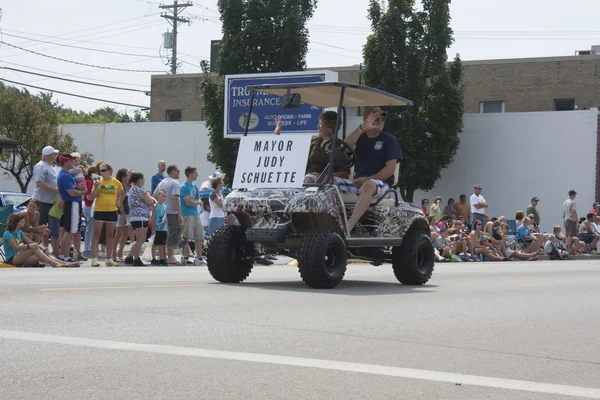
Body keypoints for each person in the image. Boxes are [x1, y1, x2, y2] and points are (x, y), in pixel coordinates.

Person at [338, 107, 402, 233]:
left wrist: (367, 179)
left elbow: (390, 169)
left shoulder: (390, 141)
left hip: (380, 184)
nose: (380, 121)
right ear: (366, 119)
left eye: (382, 119)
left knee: (368, 185)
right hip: (357, 182)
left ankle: (348, 226)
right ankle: (327, 221)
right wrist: (362, 128)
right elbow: (343, 148)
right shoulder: (360, 137)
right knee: (327, 180)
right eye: (376, 118)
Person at [275, 112, 350, 183]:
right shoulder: (314, 141)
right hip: (306, 178)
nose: (317, 127)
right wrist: (277, 132)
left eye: (320, 125)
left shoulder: (340, 147)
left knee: (309, 179)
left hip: (326, 184)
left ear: (330, 128)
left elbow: (344, 173)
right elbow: (291, 149)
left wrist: (322, 176)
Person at [2, 213, 79, 268]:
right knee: (34, 248)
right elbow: (15, 247)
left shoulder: (19, 232)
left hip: (20, 256)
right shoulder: (8, 234)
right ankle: (56, 264)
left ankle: (64, 263)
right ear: (18, 223)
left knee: (42, 253)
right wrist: (29, 246)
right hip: (12, 259)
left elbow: (30, 241)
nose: (24, 222)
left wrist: (42, 248)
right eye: (23, 221)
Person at [89, 162, 124, 267]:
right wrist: (95, 187)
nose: (101, 172)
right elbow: (91, 197)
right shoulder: (98, 181)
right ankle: (94, 258)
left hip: (112, 210)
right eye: (100, 171)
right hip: (100, 210)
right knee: (96, 234)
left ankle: (109, 258)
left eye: (103, 170)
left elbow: (122, 193)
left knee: (110, 235)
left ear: (109, 171)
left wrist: (119, 201)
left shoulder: (116, 182)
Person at [56, 153, 86, 263]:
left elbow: (73, 188)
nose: (73, 162)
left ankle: (65, 255)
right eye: (71, 160)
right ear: (65, 162)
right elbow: (72, 192)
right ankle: (65, 255)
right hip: (72, 204)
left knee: (70, 230)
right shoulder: (64, 175)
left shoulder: (67, 174)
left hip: (72, 204)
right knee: (70, 231)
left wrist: (79, 187)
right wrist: (82, 192)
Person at [126, 172, 157, 266]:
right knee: (141, 239)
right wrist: (153, 200)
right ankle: (136, 258)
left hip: (134, 216)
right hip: (141, 216)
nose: (144, 181)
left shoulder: (132, 189)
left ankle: (129, 257)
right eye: (143, 179)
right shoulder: (139, 190)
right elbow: (150, 201)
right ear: (139, 180)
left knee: (140, 238)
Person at [153, 165, 182, 265]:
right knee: (172, 234)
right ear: (173, 171)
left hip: (164, 212)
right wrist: (179, 212)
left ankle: (163, 255)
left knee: (164, 234)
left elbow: (155, 195)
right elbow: (175, 197)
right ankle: (170, 256)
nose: (179, 173)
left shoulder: (163, 182)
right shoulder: (175, 183)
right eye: (178, 171)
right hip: (173, 212)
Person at [32, 146, 59, 247]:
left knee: (45, 227)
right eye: (54, 154)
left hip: (49, 201)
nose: (55, 157)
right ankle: (36, 247)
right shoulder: (41, 166)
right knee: (40, 225)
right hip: (41, 200)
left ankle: (45, 247)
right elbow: (39, 182)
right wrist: (54, 190)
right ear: (50, 155)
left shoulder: (49, 166)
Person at [179, 166, 206, 265]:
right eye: (195, 173)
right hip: (187, 214)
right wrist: (197, 202)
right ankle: (185, 256)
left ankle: (198, 257)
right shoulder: (184, 187)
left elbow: (199, 199)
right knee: (186, 236)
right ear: (190, 174)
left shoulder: (195, 186)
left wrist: (196, 201)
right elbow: (187, 202)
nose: (197, 174)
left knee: (199, 236)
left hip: (195, 214)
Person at [113, 168, 131, 262]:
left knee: (125, 234)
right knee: (118, 234)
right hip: (121, 213)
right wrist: (123, 215)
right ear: (123, 177)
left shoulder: (125, 187)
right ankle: (113, 254)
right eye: (127, 175)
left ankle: (120, 253)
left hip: (127, 213)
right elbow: (119, 203)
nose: (128, 177)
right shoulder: (119, 187)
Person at [82, 166, 97, 257]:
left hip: (89, 206)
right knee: (90, 229)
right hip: (89, 206)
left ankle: (89, 248)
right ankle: (87, 249)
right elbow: (88, 196)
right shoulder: (89, 182)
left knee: (91, 228)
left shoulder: (90, 182)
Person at [151, 190, 168, 266]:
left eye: (165, 196)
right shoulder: (155, 206)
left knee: (162, 244)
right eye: (162, 196)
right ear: (158, 196)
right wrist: (153, 228)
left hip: (163, 228)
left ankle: (161, 258)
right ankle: (153, 258)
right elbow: (153, 217)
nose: (164, 198)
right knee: (155, 243)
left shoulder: (165, 207)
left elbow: (166, 217)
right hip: (157, 228)